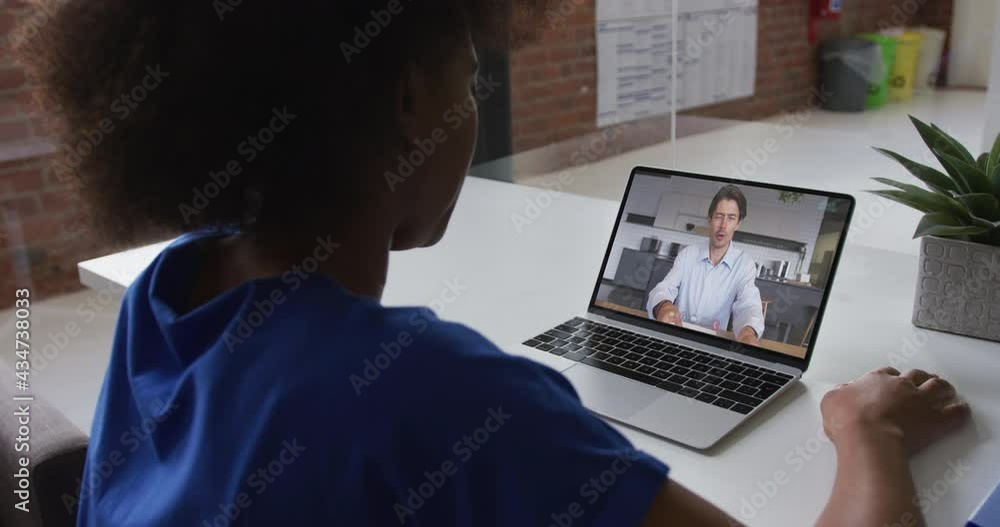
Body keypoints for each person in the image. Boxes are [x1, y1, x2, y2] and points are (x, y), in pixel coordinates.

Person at [22, 1, 970, 526]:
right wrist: (865, 429)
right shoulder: (437, 394)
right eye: (468, 79)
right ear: (406, 101)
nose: (472, 110)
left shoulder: (168, 289)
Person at [646, 185, 764, 345]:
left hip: (712, 346)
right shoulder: (688, 254)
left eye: (731, 218)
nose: (723, 225)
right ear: (710, 218)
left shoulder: (744, 265)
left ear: (738, 224)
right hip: (676, 338)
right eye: (719, 216)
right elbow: (664, 288)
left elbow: (749, 305)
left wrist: (748, 332)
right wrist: (664, 306)